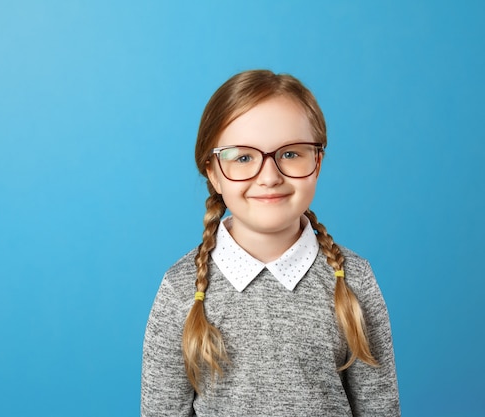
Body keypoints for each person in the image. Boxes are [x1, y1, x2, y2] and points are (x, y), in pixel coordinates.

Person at [141, 69, 400, 416]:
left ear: (318, 161)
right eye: (243, 157)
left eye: (291, 153)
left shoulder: (355, 280)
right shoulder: (180, 290)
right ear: (213, 171)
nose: (269, 177)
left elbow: (380, 409)